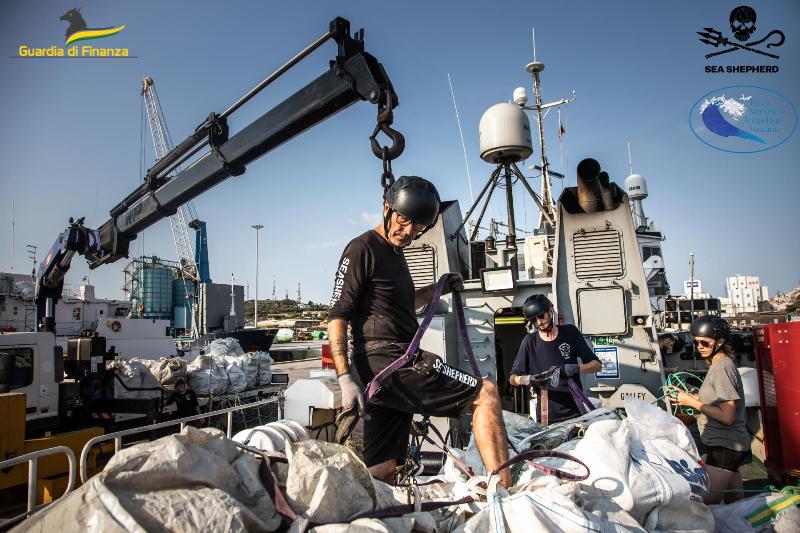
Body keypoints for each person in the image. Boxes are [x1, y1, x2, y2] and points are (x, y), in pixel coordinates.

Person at [327, 175, 511, 486]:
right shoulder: (362, 248)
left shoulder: (396, 254)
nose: (409, 231)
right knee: (486, 393)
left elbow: (401, 304)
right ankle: (506, 494)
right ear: (386, 208)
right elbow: (337, 315)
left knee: (383, 469)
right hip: (387, 362)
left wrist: (436, 290)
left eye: (418, 227)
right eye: (403, 220)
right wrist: (344, 376)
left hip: (390, 368)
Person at [668, 316, 749, 504]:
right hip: (727, 444)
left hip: (725, 446)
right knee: (737, 505)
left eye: (705, 342)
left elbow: (727, 416)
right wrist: (693, 395)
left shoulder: (721, 368)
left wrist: (692, 402)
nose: (700, 347)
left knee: (705, 505)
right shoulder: (719, 364)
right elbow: (717, 400)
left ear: (720, 342)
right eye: (697, 343)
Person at [509, 294, 602, 424]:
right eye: (533, 320)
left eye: (541, 316)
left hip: (576, 414)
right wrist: (528, 379)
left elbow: (597, 365)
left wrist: (574, 368)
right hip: (546, 417)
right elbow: (513, 379)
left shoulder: (570, 333)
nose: (539, 322)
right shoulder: (529, 342)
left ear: (550, 311)